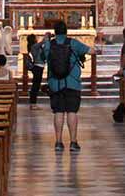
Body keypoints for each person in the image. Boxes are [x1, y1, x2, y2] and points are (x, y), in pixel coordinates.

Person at [39, 20, 90, 152]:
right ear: (66, 31)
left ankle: (58, 142)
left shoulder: (49, 44)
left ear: (55, 32)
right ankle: (73, 142)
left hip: (55, 84)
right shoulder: (73, 43)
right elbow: (92, 51)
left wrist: (46, 40)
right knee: (72, 112)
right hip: (72, 83)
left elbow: (41, 57)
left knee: (58, 112)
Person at [27, 32, 48, 109]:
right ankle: (33, 104)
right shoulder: (34, 46)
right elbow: (42, 42)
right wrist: (45, 37)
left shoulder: (35, 46)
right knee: (35, 86)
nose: (37, 39)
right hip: (37, 67)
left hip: (40, 67)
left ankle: (33, 104)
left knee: (36, 85)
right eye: (35, 38)